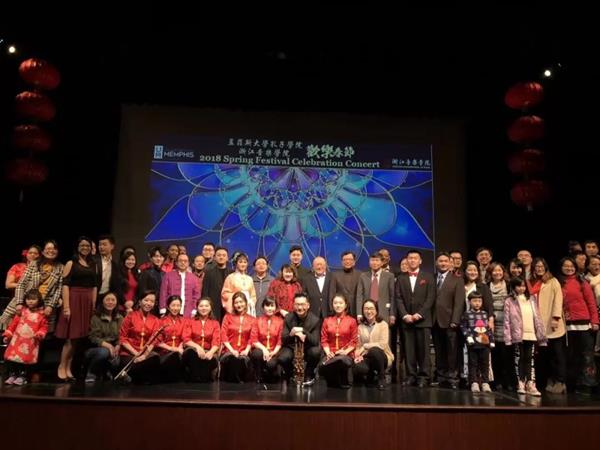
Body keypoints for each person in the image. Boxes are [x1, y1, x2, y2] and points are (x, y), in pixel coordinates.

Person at [55, 236, 98, 382]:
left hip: (87, 301)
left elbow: (94, 286)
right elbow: (65, 285)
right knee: (70, 338)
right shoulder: (71, 263)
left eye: (87, 245)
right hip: (74, 299)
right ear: (77, 247)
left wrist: (93, 304)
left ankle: (69, 367)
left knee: (78, 339)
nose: (85, 248)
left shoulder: (92, 264)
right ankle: (61, 366)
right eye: (82, 245)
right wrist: (66, 306)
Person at [395, 249, 435, 387]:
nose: (412, 260)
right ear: (407, 260)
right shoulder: (401, 278)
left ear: (420, 261)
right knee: (409, 350)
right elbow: (398, 298)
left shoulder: (428, 277)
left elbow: (430, 298)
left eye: (415, 258)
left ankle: (424, 376)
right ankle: (411, 375)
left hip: (423, 320)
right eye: (410, 258)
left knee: (424, 351)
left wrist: (420, 314)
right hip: (407, 321)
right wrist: (405, 315)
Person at [558, 257, 599, 393]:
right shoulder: (558, 282)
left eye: (571, 266)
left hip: (584, 324)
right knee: (571, 356)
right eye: (566, 266)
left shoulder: (582, 281)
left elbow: (591, 302)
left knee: (587, 356)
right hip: (567, 325)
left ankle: (587, 384)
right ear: (561, 267)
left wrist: (595, 321)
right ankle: (573, 383)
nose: (569, 268)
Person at [504, 277, 547, 396]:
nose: (521, 288)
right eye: (518, 286)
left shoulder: (531, 299)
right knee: (519, 358)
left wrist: (540, 333)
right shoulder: (509, 300)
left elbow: (537, 316)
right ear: (513, 287)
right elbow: (507, 320)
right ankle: (520, 382)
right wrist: (508, 337)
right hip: (518, 335)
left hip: (531, 333)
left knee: (530, 359)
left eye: (523, 286)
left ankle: (531, 383)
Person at [529, 257, 567, 394]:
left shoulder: (553, 281)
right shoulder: (532, 282)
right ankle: (549, 380)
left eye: (541, 266)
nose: (539, 268)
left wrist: (556, 318)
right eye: (537, 266)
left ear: (545, 267)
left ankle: (561, 381)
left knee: (557, 353)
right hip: (539, 324)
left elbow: (558, 300)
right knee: (545, 356)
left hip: (552, 323)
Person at [433, 252, 465, 389]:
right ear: (436, 263)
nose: (443, 263)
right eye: (440, 261)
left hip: (450, 321)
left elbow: (459, 303)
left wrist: (455, 320)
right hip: (434, 321)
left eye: (445, 261)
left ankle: (453, 378)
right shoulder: (432, 278)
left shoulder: (457, 279)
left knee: (452, 351)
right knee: (439, 351)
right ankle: (441, 377)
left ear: (450, 263)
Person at [3, 289, 48, 385]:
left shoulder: (41, 314)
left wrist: (40, 334)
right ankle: (13, 375)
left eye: (33, 299)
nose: (30, 301)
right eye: (28, 299)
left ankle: (23, 376)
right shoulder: (22, 312)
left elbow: (44, 327)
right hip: (17, 340)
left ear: (39, 300)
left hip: (30, 342)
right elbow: (13, 324)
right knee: (13, 359)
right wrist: (8, 334)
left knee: (25, 360)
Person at [118, 291, 161, 384]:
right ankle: (139, 377)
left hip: (145, 355)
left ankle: (133, 377)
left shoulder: (156, 320)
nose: (149, 303)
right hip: (129, 353)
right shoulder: (130, 316)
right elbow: (122, 338)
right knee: (135, 365)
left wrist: (144, 355)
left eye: (152, 301)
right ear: (140, 301)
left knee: (155, 358)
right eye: (146, 300)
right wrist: (136, 354)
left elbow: (154, 340)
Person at [279, 292, 321, 385]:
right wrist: (292, 333)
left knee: (316, 352)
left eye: (302, 304)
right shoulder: (288, 318)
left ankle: (309, 373)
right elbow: (284, 340)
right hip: (292, 347)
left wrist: (303, 330)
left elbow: (315, 341)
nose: (300, 307)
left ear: (308, 305)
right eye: (297, 304)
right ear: (293, 305)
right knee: (283, 357)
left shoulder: (315, 320)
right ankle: (290, 373)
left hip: (307, 348)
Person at [319, 294, 358, 388]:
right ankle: (337, 377)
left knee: (342, 360)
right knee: (330, 361)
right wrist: (328, 353)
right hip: (331, 354)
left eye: (341, 303)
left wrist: (345, 351)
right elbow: (324, 340)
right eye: (335, 303)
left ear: (345, 305)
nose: (338, 305)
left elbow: (354, 340)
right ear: (332, 305)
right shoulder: (327, 320)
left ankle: (331, 372)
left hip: (346, 354)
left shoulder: (352, 321)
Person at [84, 292, 123, 383]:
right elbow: (93, 337)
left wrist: (118, 345)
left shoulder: (119, 318)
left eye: (113, 300)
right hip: (95, 348)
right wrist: (108, 346)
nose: (110, 302)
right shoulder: (96, 317)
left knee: (119, 358)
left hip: (113, 347)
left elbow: (121, 335)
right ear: (102, 302)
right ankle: (91, 373)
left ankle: (106, 371)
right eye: (107, 300)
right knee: (104, 352)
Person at [353, 300, 393, 390]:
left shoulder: (383, 324)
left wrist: (365, 346)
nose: (369, 311)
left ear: (376, 310)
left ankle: (381, 377)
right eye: (366, 309)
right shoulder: (360, 327)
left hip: (382, 356)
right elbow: (358, 346)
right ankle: (370, 374)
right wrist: (358, 355)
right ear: (363, 311)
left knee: (374, 350)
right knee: (357, 367)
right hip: (367, 357)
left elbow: (382, 344)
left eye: (371, 308)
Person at [461, 291, 494, 393]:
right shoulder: (467, 314)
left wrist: (491, 340)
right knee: (473, 364)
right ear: (470, 302)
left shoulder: (485, 314)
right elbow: (463, 326)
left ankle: (485, 382)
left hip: (485, 344)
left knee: (485, 364)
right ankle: (474, 382)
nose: (477, 303)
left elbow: (489, 329)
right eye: (474, 301)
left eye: (479, 301)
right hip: (473, 344)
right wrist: (468, 336)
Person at [220, 292, 256, 382]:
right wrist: (232, 350)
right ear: (233, 304)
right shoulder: (227, 317)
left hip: (244, 352)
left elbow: (252, 337)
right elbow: (223, 335)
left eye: (241, 302)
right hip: (229, 351)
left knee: (242, 361)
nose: (239, 305)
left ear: (246, 303)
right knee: (233, 359)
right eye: (236, 303)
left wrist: (246, 350)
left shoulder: (252, 319)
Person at [182, 297, 220, 382]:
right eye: (201, 306)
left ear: (210, 308)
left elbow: (216, 341)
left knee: (209, 360)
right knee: (191, 353)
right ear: (197, 308)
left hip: (208, 352)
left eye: (206, 306)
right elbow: (186, 338)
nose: (204, 308)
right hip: (194, 351)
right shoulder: (190, 321)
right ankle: (198, 377)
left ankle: (201, 377)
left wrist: (210, 352)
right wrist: (198, 347)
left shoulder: (215, 323)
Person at [250, 298, 284, 382]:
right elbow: (254, 339)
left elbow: (280, 341)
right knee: (256, 354)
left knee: (271, 365)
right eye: (267, 306)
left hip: (274, 351)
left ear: (275, 308)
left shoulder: (280, 321)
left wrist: (273, 353)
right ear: (263, 307)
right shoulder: (257, 321)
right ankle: (258, 377)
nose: (270, 308)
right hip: (261, 350)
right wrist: (264, 349)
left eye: (272, 306)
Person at [159, 253, 201, 318]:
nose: (183, 263)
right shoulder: (168, 276)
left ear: (188, 263)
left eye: (185, 261)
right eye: (180, 261)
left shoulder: (194, 278)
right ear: (176, 263)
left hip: (189, 312)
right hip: (170, 311)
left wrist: (194, 310)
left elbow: (196, 296)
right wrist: (163, 309)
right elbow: (163, 293)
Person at [156, 295, 186, 382]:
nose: (175, 308)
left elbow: (185, 337)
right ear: (168, 306)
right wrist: (172, 349)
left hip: (180, 352)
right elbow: (158, 341)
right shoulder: (161, 321)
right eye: (173, 305)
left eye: (178, 305)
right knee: (174, 356)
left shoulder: (184, 321)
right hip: (165, 352)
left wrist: (180, 347)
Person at [222, 252, 257, 316]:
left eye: (245, 262)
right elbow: (225, 294)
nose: (243, 264)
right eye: (240, 262)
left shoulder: (249, 279)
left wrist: (251, 301)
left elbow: (253, 295)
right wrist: (237, 297)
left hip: (247, 309)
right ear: (236, 263)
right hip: (235, 308)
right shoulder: (230, 277)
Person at [330, 251, 361, 316]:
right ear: (342, 262)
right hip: (340, 310)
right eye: (345, 260)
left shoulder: (360, 275)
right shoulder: (335, 275)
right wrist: (332, 310)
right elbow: (332, 293)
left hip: (356, 309)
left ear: (354, 262)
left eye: (350, 259)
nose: (347, 261)